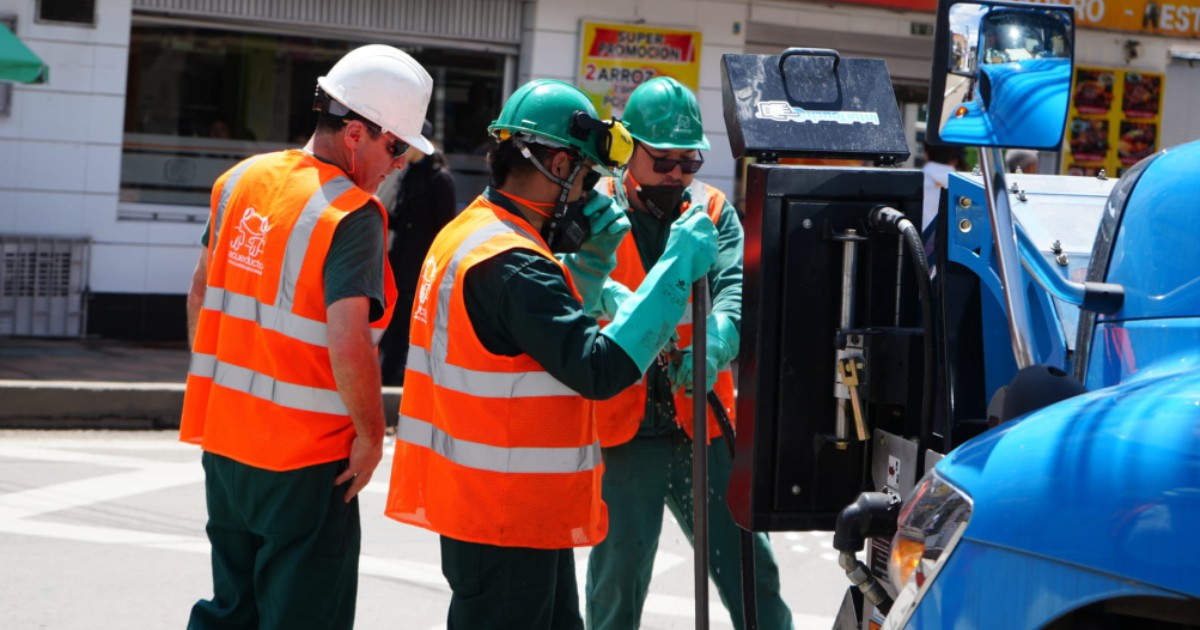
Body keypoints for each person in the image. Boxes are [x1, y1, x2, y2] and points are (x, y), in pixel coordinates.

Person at [384, 78, 720, 630]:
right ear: (559, 166)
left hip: (499, 510)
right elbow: (597, 367)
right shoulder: (516, 263)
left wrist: (586, 269)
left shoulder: (474, 233)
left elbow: (526, 346)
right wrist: (676, 269)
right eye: (587, 178)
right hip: (506, 514)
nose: (591, 195)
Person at [179, 45, 433, 630]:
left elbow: (199, 292)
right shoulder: (352, 213)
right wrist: (372, 435)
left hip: (225, 444)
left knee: (231, 608)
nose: (398, 164)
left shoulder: (239, 180)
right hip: (305, 459)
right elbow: (348, 342)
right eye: (395, 146)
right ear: (355, 134)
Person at [582, 76, 795, 630]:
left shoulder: (712, 210)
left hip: (700, 413)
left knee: (752, 570)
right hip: (626, 426)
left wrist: (718, 341)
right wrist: (608, 294)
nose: (677, 175)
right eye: (664, 162)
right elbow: (573, 281)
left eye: (689, 162)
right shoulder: (591, 207)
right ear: (629, 149)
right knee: (618, 579)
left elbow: (735, 289)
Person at [379, 120, 457, 385]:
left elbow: (446, 229)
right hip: (399, 264)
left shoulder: (439, 178)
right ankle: (387, 375)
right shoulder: (409, 174)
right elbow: (402, 217)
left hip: (420, 268)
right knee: (392, 324)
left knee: (405, 327)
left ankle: (392, 379)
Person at [921, 141, 964, 242]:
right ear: (956, 159)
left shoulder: (913, 181)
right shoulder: (965, 186)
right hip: (951, 248)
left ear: (926, 154)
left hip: (917, 244)